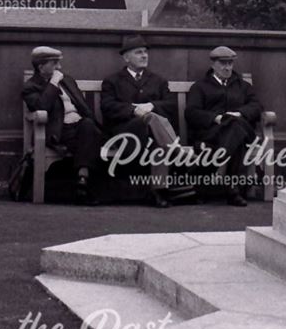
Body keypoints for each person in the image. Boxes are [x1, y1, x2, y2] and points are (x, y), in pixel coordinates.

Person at [100, 35, 178, 209]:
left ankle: (158, 191)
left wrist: (151, 105)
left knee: (157, 141)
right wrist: (133, 110)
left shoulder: (158, 80)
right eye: (138, 52)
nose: (144, 56)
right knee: (150, 120)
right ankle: (176, 151)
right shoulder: (112, 81)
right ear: (126, 57)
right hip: (124, 133)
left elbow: (171, 104)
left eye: (145, 52)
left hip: (152, 135)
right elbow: (107, 106)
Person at [21, 46, 103, 204]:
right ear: (41, 67)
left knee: (87, 126)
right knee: (89, 135)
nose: (59, 67)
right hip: (58, 131)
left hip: (80, 126)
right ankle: (83, 182)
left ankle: (82, 179)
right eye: (54, 64)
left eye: (59, 63)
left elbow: (84, 107)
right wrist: (52, 83)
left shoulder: (68, 81)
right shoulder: (30, 87)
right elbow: (41, 107)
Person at [185, 46, 262, 207]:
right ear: (213, 65)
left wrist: (239, 114)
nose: (227, 67)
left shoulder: (243, 86)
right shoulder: (200, 87)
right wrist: (217, 118)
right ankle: (232, 189)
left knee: (235, 126)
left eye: (230, 63)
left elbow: (256, 106)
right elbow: (191, 113)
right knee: (237, 132)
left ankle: (207, 170)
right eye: (223, 64)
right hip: (212, 133)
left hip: (236, 131)